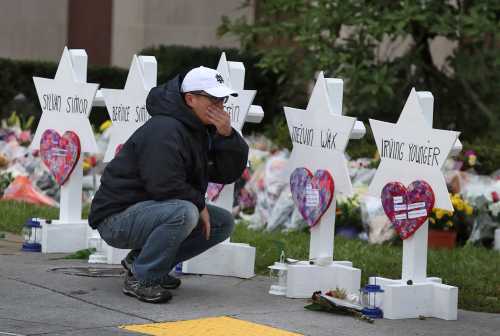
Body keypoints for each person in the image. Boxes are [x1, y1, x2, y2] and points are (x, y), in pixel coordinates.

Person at [88, 66, 249, 303]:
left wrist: (227, 137)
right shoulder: (165, 128)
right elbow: (163, 184)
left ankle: (142, 263)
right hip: (116, 220)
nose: (219, 105)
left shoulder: (201, 128)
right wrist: (198, 203)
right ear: (190, 99)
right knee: (185, 212)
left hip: (149, 209)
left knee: (221, 223)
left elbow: (227, 173)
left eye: (222, 99)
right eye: (212, 98)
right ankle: (142, 279)